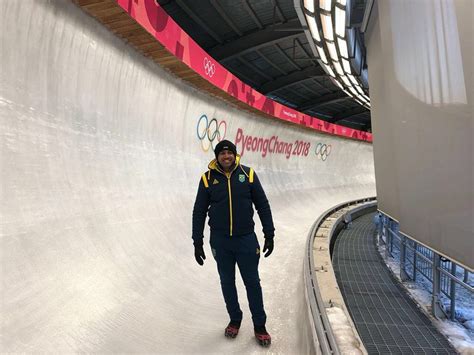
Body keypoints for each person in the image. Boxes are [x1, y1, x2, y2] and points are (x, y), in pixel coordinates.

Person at [192, 140, 275, 347]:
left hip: (246, 239)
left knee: (252, 282)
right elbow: (199, 211)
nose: (226, 157)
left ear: (235, 155)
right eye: (222, 154)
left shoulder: (248, 175)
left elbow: (262, 205)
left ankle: (259, 325)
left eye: (229, 153)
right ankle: (235, 319)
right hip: (220, 242)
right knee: (227, 282)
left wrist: (269, 233)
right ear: (217, 157)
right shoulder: (207, 179)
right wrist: (197, 241)